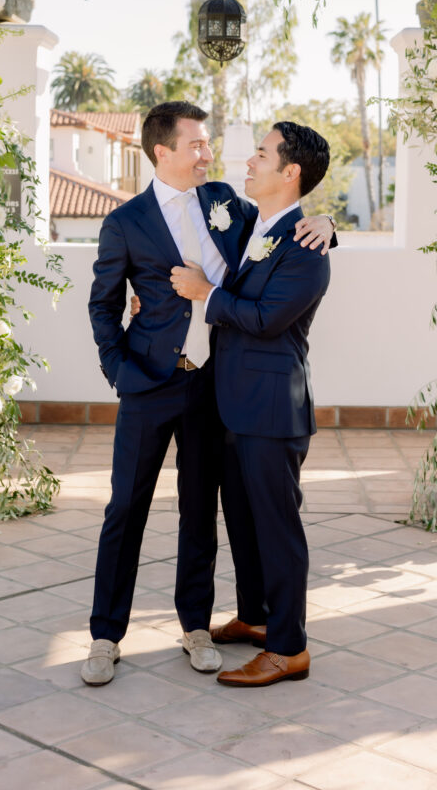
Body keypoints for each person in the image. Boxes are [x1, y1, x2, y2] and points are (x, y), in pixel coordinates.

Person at [81, 102, 335, 686]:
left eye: (207, 144)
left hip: (212, 388)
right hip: (147, 386)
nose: (208, 153)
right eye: (196, 145)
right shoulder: (126, 222)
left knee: (200, 509)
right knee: (126, 508)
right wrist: (118, 368)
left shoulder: (223, 202)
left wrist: (328, 225)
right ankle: (104, 634)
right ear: (161, 152)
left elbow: (282, 230)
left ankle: (195, 624)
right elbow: (103, 306)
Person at [169, 121, 333, 687]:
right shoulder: (253, 227)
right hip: (231, 405)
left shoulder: (309, 251)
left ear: (290, 172)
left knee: (277, 528)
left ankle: (289, 650)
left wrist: (205, 295)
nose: (249, 161)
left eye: (261, 154)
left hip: (271, 408)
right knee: (242, 519)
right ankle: (258, 618)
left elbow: (265, 320)